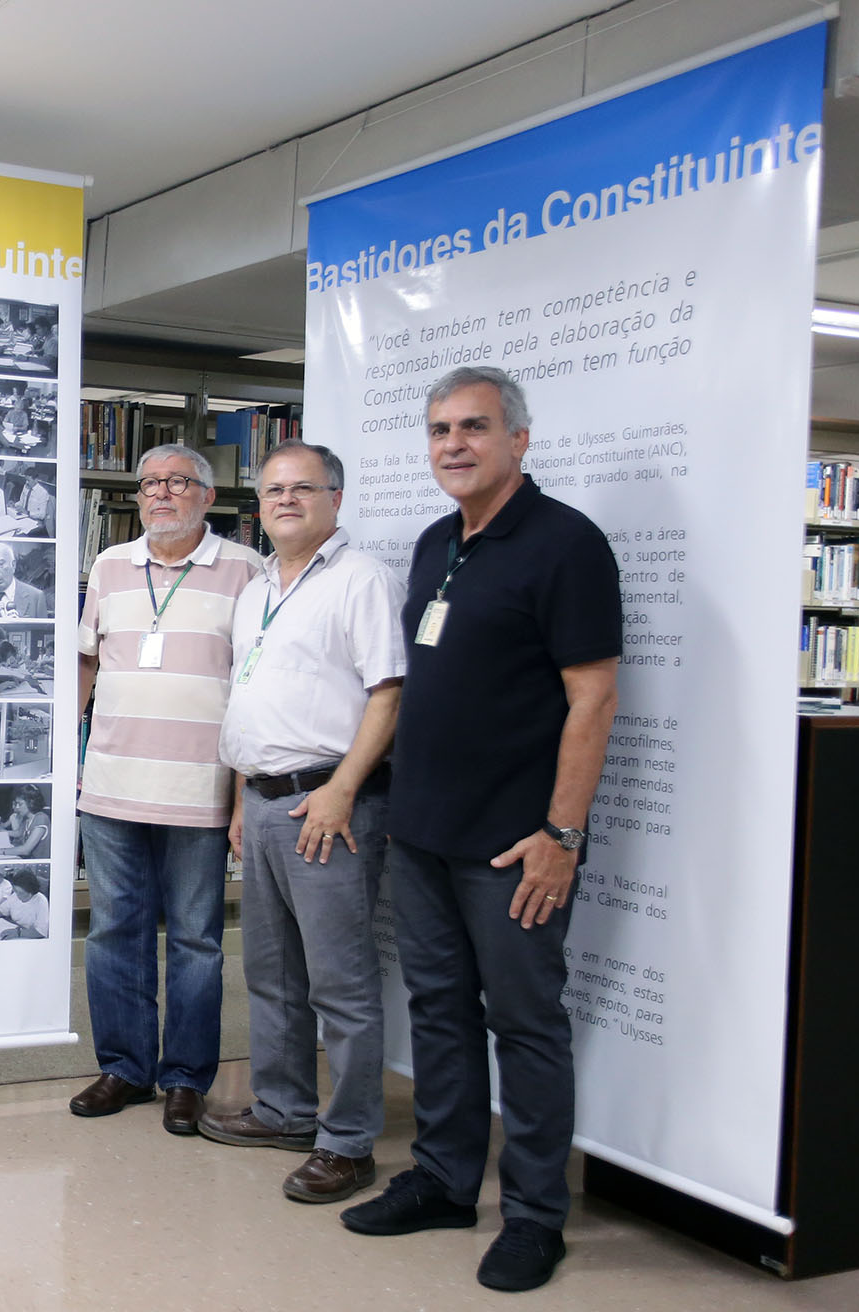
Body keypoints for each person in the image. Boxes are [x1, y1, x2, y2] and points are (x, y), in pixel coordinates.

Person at [338, 367, 620, 1295]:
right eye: (438, 431)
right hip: (422, 832)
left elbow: (592, 698)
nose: (452, 445)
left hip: (512, 846)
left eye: (473, 428)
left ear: (518, 440)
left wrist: (560, 836)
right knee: (439, 1012)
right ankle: (447, 1181)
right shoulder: (435, 543)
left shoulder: (565, 544)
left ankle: (535, 1215)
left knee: (526, 1025)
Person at [197, 442, 407, 1208]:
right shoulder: (256, 588)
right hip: (261, 801)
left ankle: (347, 1143)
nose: (284, 500)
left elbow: (388, 693)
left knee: (339, 984)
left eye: (302, 488)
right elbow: (247, 698)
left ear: (335, 498)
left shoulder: (363, 580)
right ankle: (284, 1112)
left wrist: (343, 789)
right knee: (272, 973)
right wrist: (236, 804)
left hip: (327, 805)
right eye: (272, 489)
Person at [74, 442, 264, 1135]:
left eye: (177, 483)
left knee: (196, 940)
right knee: (114, 931)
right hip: (111, 785)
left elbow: (252, 682)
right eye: (149, 482)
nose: (160, 493)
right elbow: (87, 662)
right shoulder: (109, 564)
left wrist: (243, 793)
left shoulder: (246, 570)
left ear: (207, 497)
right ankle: (123, 1068)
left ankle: (185, 1078)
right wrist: (71, 754)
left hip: (199, 790)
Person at [0, 868, 50, 939]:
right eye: (15, 891)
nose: (17, 895)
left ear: (30, 892)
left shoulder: (41, 901)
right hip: (16, 928)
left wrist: (18, 933)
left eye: (20, 893)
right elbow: (2, 909)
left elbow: (41, 932)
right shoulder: (15, 895)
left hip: (30, 936)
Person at [6, 786, 50, 858]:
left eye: (20, 804)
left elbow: (26, 850)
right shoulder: (26, 818)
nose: (17, 807)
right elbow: (18, 833)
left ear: (31, 803)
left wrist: (0, 851)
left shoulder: (41, 818)